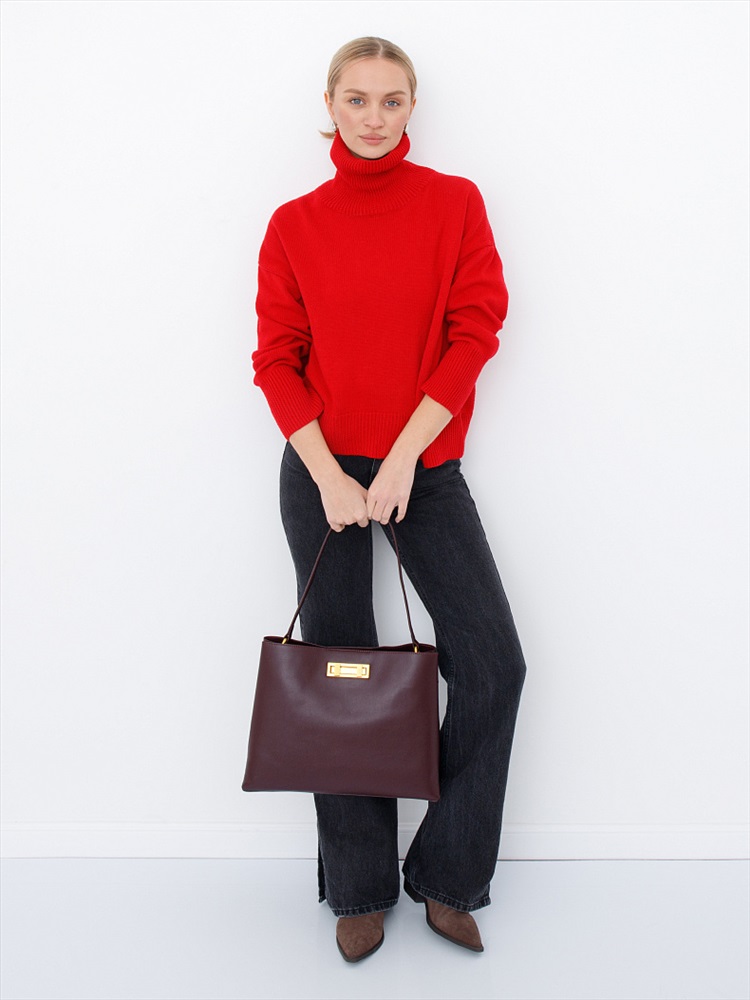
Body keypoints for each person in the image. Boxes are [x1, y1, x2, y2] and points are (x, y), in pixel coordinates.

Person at [252, 36, 528, 963]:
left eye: (392, 100)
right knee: (344, 675)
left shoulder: (455, 204)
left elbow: (475, 328)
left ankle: (447, 875)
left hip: (424, 467)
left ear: (413, 108)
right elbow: (276, 360)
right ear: (330, 105)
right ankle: (359, 887)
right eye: (358, 99)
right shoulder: (294, 224)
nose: (374, 118)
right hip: (319, 466)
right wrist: (331, 475)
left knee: (492, 664)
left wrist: (404, 457)